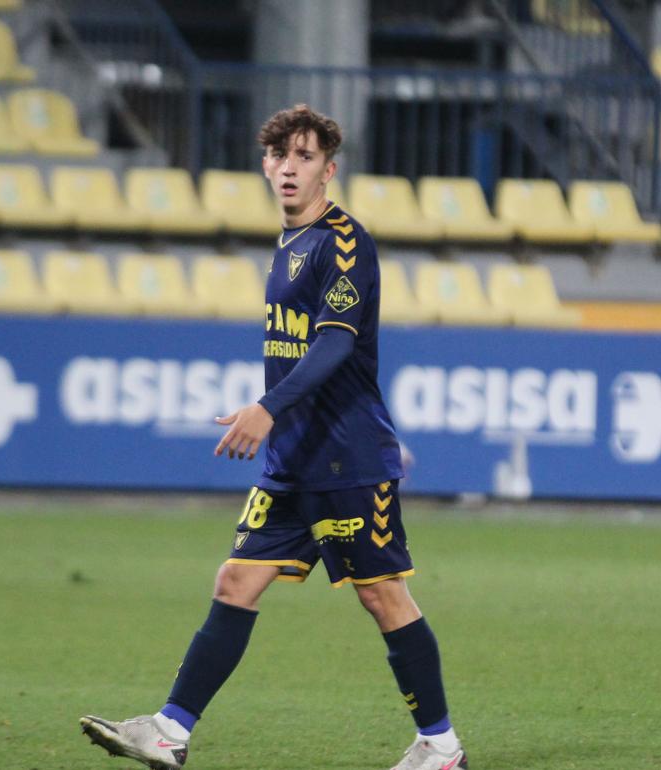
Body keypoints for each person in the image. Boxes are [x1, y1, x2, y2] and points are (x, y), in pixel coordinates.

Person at [80, 104, 466, 770]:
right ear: (265, 164)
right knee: (235, 580)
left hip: (347, 456)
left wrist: (266, 406)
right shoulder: (288, 241)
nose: (290, 167)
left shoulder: (344, 241)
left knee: (383, 595)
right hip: (293, 459)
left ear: (329, 169)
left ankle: (440, 745)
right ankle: (170, 731)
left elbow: (336, 343)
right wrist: (273, 415)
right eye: (280, 155)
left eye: (306, 156)